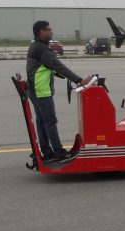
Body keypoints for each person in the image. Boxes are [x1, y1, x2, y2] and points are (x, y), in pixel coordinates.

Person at [26, 20, 91, 161]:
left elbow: (46, 67)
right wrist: (79, 80)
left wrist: (57, 74)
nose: (51, 32)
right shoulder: (42, 49)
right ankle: (59, 153)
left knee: (42, 122)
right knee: (50, 122)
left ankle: (47, 153)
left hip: (35, 91)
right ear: (41, 32)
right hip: (42, 92)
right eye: (49, 29)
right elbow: (58, 65)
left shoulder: (36, 46)